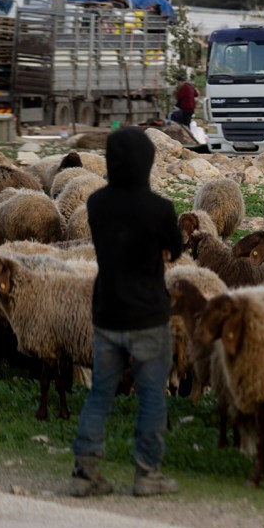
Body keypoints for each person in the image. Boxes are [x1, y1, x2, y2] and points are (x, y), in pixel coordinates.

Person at [71, 127, 182, 498]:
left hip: (107, 312)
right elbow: (175, 249)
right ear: (147, 161)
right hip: (148, 315)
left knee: (100, 392)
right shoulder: (160, 209)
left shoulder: (96, 204)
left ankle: (86, 472)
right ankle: (147, 474)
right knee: (151, 394)